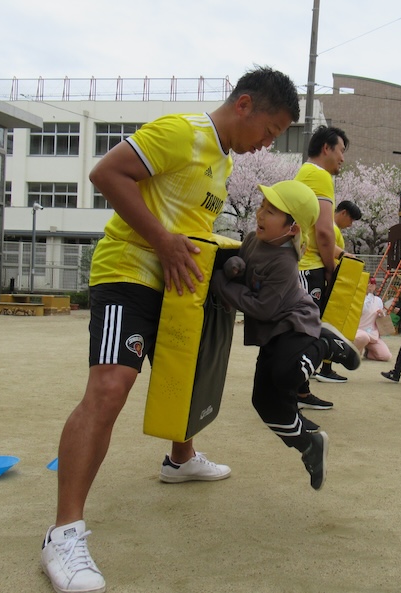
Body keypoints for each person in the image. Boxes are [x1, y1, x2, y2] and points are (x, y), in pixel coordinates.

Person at [40, 66, 301, 593]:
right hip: (130, 272)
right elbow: (106, 174)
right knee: (110, 388)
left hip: (178, 282)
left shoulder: (223, 161)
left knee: (183, 375)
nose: (266, 144)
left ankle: (179, 459)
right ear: (245, 105)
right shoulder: (182, 132)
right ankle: (63, 532)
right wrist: (162, 240)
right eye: (270, 132)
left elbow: (190, 224)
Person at [211, 180, 360, 490]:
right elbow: (242, 262)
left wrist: (222, 286)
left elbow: (262, 307)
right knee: (264, 402)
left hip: (297, 326)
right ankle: (309, 445)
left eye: (272, 212)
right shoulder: (253, 240)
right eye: (263, 207)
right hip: (273, 334)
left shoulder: (284, 262)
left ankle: (325, 343)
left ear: (292, 229)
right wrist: (234, 265)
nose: (261, 214)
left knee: (286, 375)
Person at [296, 126, 349, 394]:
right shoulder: (320, 176)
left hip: (302, 263)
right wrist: (331, 268)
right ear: (326, 148)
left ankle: (301, 390)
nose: (342, 158)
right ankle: (294, 391)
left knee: (301, 331)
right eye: (341, 150)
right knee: (306, 332)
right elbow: (324, 232)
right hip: (310, 267)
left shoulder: (307, 173)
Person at [354, 277, 392, 361]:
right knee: (363, 337)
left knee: (386, 356)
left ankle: (369, 353)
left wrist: (381, 314)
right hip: (359, 331)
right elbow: (364, 309)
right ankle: (355, 354)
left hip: (373, 333)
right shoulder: (357, 298)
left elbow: (381, 318)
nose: (371, 285)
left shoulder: (378, 300)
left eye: (373, 283)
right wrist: (369, 294)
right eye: (369, 283)